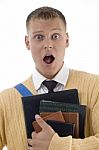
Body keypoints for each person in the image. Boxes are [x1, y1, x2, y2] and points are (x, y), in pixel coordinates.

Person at [0, 6, 99, 150]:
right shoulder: (5, 101)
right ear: (28, 42)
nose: (48, 45)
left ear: (66, 40)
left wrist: (57, 145)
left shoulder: (95, 87)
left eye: (55, 36)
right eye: (39, 37)